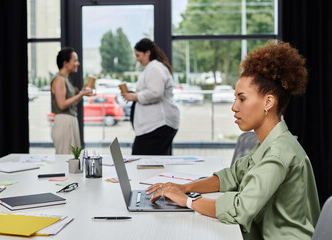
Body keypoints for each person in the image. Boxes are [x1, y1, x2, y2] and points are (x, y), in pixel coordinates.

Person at [146, 40, 320, 239]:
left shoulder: (278, 153)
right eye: (235, 98)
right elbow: (232, 177)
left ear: (268, 102)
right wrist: (185, 187)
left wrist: (186, 201)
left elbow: (240, 209)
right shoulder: (269, 144)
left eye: (242, 98)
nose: (234, 107)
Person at [122, 38, 179, 155]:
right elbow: (152, 90)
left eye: (138, 55)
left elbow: (155, 93)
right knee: (157, 162)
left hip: (157, 125)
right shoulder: (154, 67)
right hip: (157, 125)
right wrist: (134, 94)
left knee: (141, 161)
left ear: (147, 52)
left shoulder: (154, 67)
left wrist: (134, 97)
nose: (137, 59)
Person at [51, 47, 92, 154]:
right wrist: (80, 94)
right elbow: (62, 105)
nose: (78, 63)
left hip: (69, 120)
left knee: (73, 158)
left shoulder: (65, 79)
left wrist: (81, 94)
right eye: (75, 60)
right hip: (63, 122)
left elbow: (69, 103)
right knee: (65, 158)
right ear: (65, 63)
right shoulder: (59, 79)